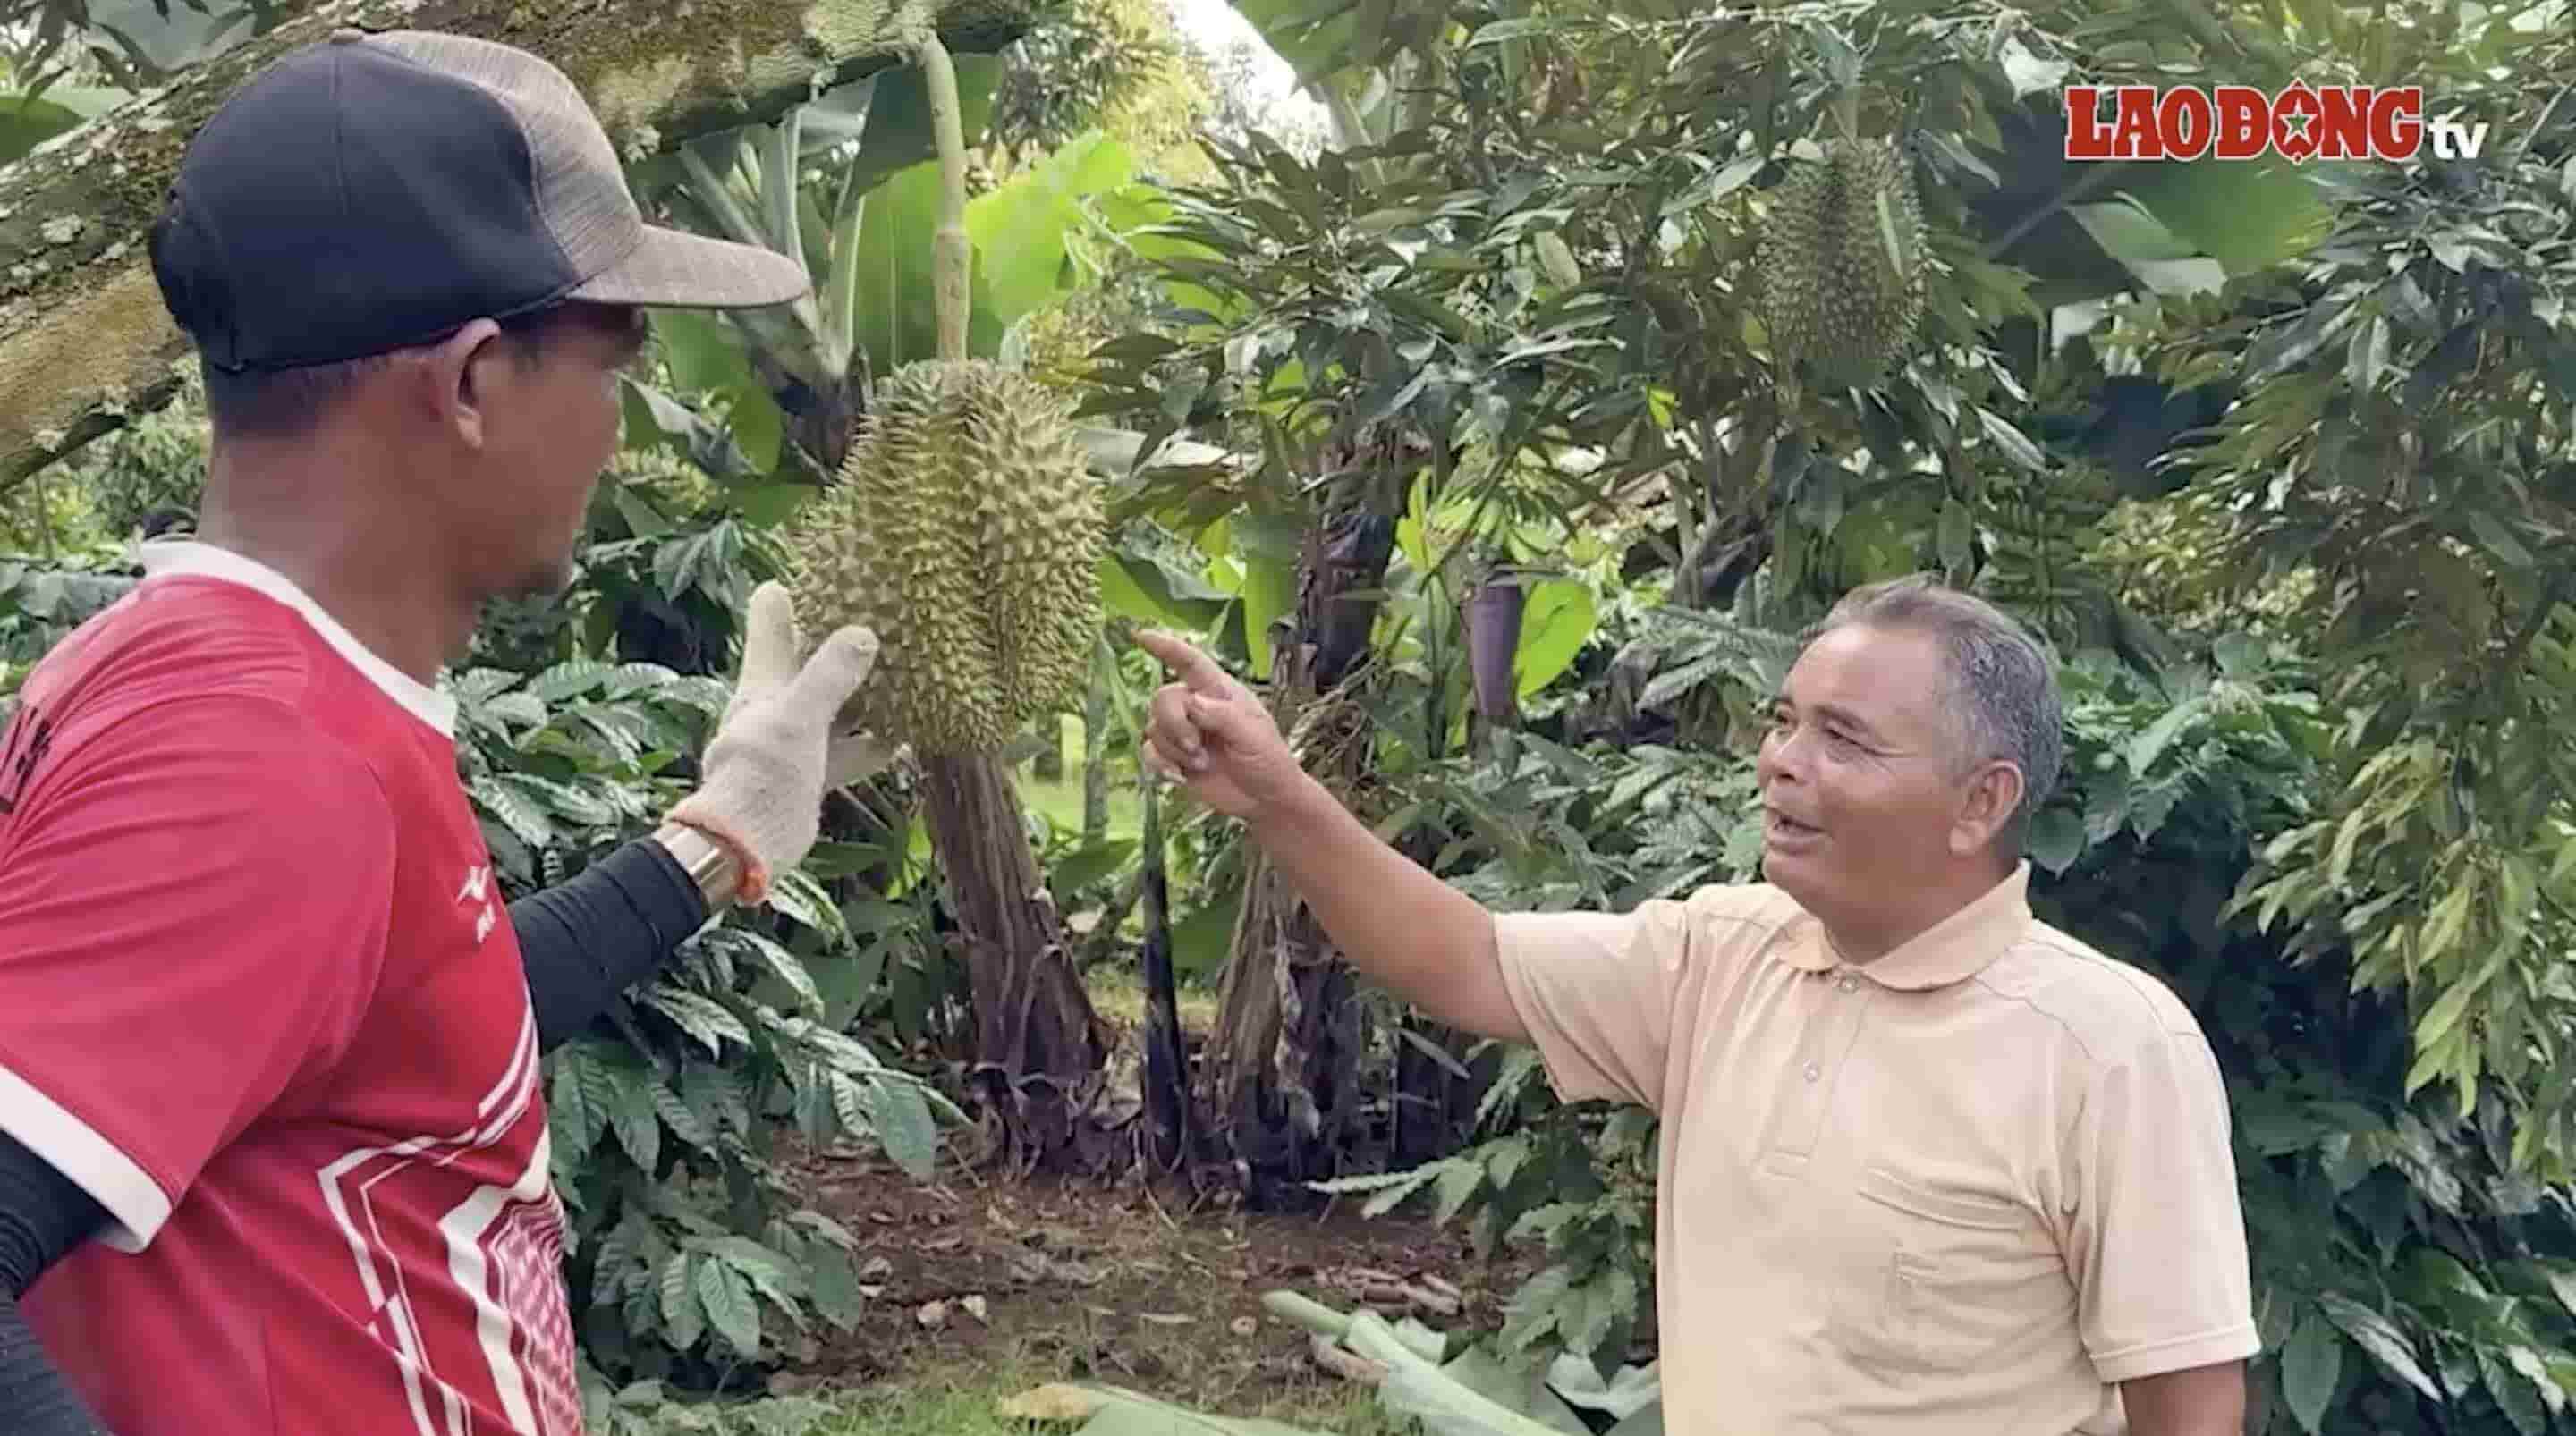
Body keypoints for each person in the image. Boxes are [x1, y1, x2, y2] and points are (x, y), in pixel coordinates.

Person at [0, 30, 888, 1436]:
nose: (624, 420)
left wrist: (721, 838)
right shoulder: (256, 751)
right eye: (614, 361)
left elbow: (401, 1027)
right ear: (473, 382)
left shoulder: (230, 679)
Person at [1136, 575, 2260, 1435]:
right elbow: (1462, 956)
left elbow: (2189, 1398)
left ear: (1981, 803)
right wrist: (1277, 798)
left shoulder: (2109, 1048)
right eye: (1786, 721)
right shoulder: (1722, 956)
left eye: (1844, 739)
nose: (1781, 762)